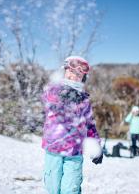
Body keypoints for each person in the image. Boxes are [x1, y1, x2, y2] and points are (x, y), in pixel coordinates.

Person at [41, 56, 102, 194]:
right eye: (71, 72)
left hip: (75, 151)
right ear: (65, 71)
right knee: (53, 188)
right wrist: (61, 95)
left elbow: (90, 125)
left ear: (83, 78)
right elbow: (47, 99)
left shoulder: (84, 99)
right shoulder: (54, 90)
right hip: (53, 148)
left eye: (78, 74)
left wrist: (97, 145)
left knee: (71, 189)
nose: (74, 76)